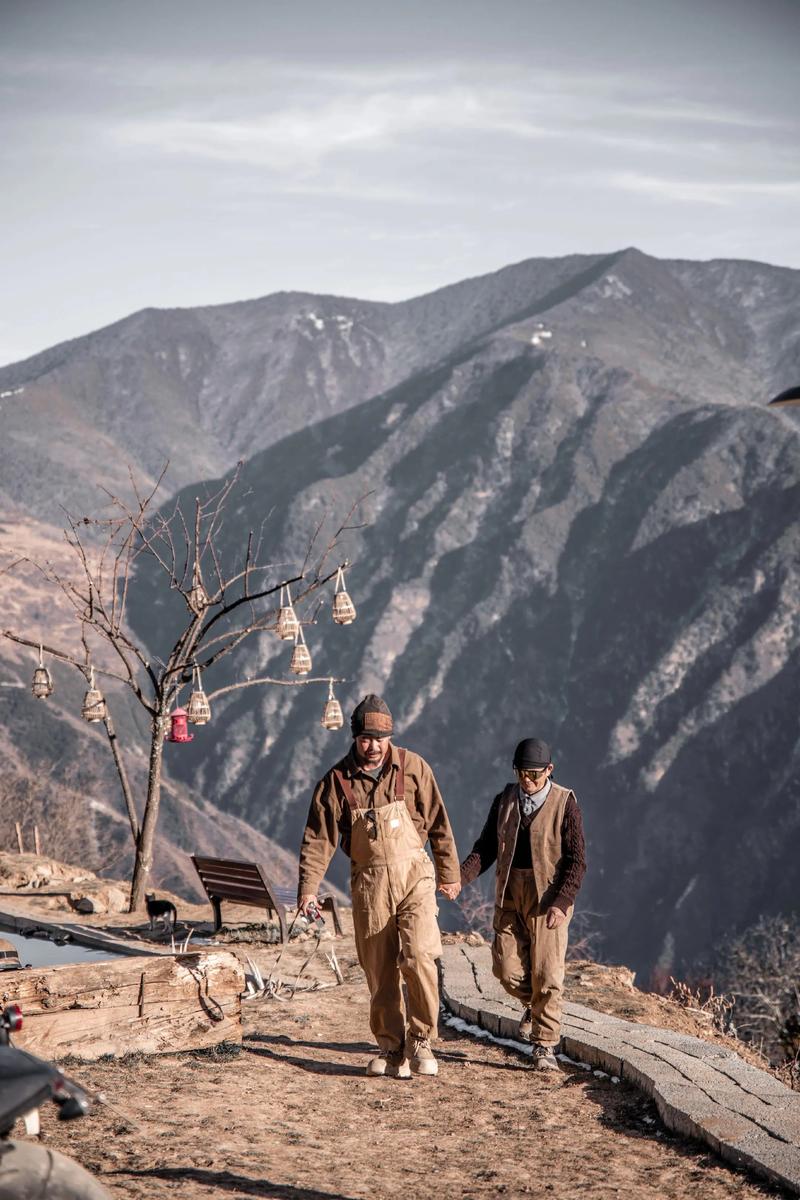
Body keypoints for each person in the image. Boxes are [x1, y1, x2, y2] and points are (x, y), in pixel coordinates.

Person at [298, 694, 461, 1079]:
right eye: (365, 739)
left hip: (414, 877)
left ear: (390, 737)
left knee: (420, 954)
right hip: (369, 883)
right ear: (355, 738)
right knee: (379, 968)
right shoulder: (336, 780)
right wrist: (308, 889)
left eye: (380, 738)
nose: (373, 746)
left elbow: (438, 820)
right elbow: (318, 838)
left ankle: (421, 1039)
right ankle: (391, 1050)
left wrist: (449, 872)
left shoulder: (413, 767)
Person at [460, 737, 586, 1071]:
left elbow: (576, 861)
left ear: (549, 770)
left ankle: (544, 1046)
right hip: (509, 893)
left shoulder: (565, 804)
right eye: (522, 774)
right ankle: (536, 1004)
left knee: (547, 973)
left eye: (534, 775)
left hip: (549, 899)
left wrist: (562, 902)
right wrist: (459, 878)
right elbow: (485, 847)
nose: (527, 781)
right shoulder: (504, 800)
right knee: (504, 968)